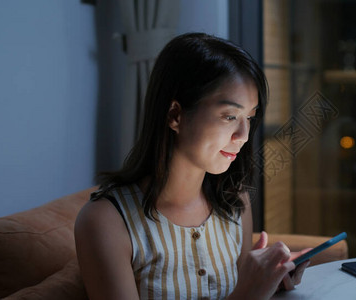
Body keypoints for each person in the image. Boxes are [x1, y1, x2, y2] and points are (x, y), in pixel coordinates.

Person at [74, 32, 310, 300]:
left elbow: (239, 289)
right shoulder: (106, 221)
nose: (243, 135)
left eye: (250, 118)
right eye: (230, 116)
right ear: (175, 115)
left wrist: (268, 282)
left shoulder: (234, 202)